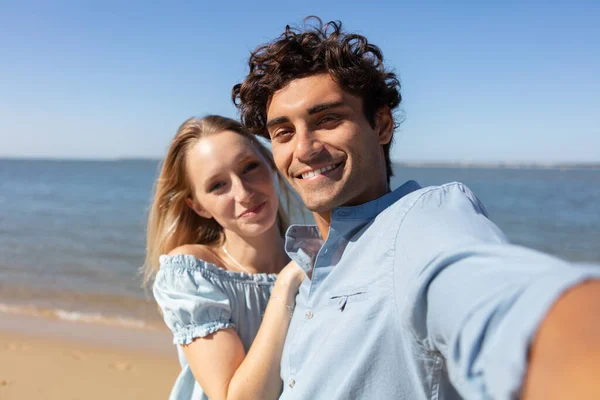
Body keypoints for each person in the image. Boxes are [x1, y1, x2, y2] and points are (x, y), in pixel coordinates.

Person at [232, 17, 600, 399]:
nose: (304, 149)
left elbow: (505, 307)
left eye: (328, 119)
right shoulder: (310, 269)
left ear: (382, 126)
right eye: (283, 132)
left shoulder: (419, 223)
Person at [144, 115, 306, 400]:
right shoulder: (193, 274)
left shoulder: (316, 260)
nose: (244, 193)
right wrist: (286, 284)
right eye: (218, 185)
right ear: (198, 206)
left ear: (272, 165)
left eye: (250, 167)